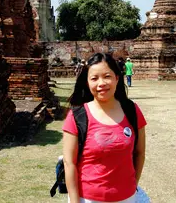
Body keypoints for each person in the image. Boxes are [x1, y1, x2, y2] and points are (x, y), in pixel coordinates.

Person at [63, 53, 147, 203]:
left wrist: (132, 184)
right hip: (87, 198)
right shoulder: (77, 116)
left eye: (107, 76)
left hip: (127, 197)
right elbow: (69, 163)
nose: (101, 83)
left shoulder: (132, 111)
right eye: (94, 78)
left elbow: (139, 153)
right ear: (87, 83)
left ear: (117, 78)